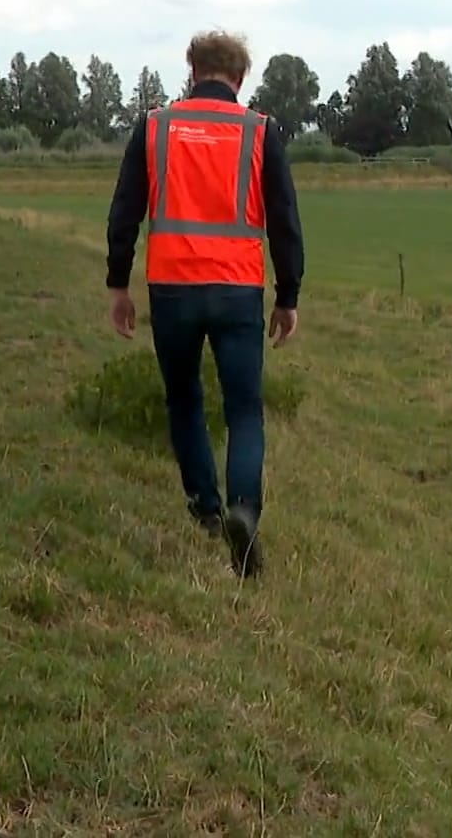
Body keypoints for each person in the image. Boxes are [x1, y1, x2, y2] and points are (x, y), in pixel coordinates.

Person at [104, 30, 304, 578]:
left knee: (184, 401)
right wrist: (287, 297)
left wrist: (118, 285)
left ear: (192, 71)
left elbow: (124, 211)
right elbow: (285, 222)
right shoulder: (260, 131)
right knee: (244, 409)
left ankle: (206, 511)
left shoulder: (155, 127)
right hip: (238, 289)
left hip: (171, 286)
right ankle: (245, 507)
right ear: (240, 78)